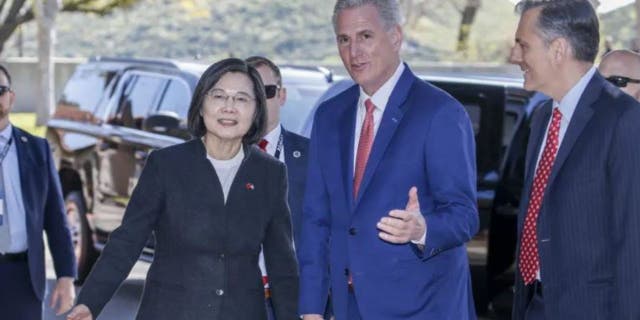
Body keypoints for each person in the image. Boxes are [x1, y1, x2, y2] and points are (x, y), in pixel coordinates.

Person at [67, 58, 299, 320]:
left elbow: (282, 262)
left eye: (242, 99)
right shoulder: (166, 165)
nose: (229, 107)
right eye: (219, 95)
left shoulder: (270, 173)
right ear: (201, 105)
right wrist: (89, 302)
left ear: (257, 110)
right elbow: (127, 241)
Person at [297, 1, 479, 319]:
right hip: (345, 305)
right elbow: (316, 217)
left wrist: (422, 229)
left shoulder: (440, 112)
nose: (354, 52)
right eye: (344, 39)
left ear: (395, 36)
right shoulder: (330, 115)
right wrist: (311, 306)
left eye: (365, 36)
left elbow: (464, 215)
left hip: (421, 306)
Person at [509, 1, 640, 319]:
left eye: (523, 45)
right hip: (534, 306)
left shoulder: (623, 118)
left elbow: (632, 248)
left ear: (558, 49)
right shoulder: (542, 117)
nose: (514, 56)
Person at [245, 56, 320, 320]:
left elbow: (328, 235)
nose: (258, 101)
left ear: (282, 95)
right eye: (249, 93)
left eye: (266, 91)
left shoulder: (313, 157)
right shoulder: (216, 157)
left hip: (293, 304)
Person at [0, 64, 77, 320]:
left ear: (11, 97)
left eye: (0, 90)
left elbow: (56, 220)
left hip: (22, 276)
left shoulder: (36, 149)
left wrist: (66, 277)